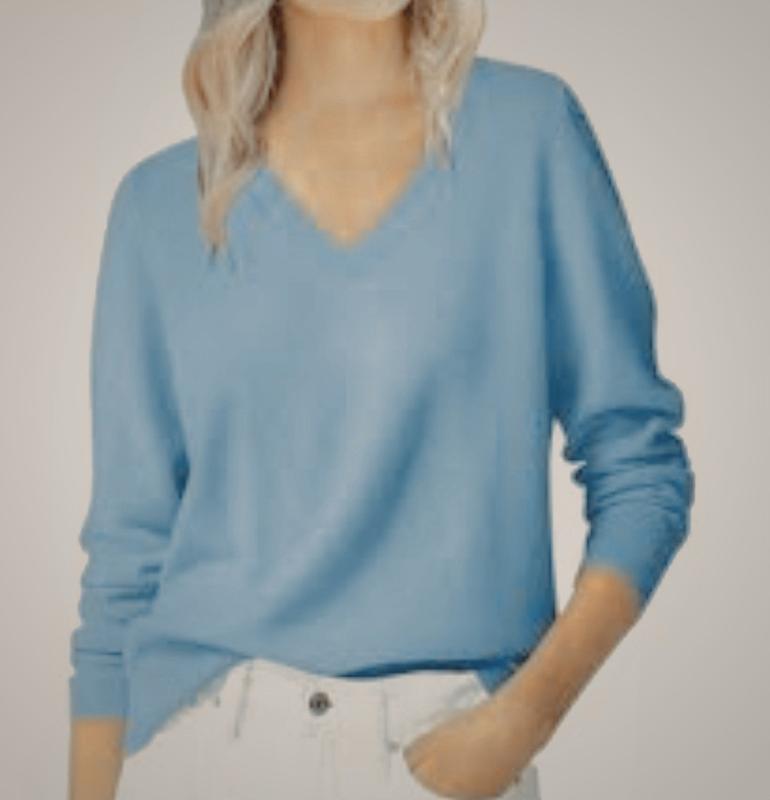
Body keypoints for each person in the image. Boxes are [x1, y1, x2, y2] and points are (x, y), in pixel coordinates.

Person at [67, 1, 697, 799]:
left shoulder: (529, 133)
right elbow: (125, 561)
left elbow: (640, 470)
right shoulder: (159, 204)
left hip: (448, 752)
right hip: (206, 752)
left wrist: (529, 714)